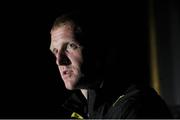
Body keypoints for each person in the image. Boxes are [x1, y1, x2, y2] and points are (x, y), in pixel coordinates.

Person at [49, 11, 173, 118]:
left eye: (71, 46)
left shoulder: (137, 107)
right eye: (55, 51)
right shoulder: (81, 109)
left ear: (98, 49)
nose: (59, 61)